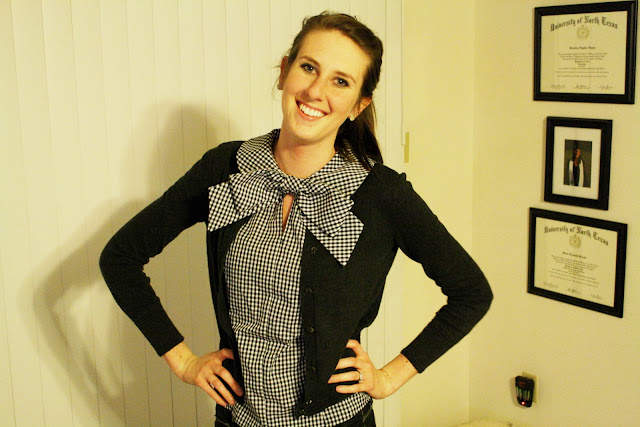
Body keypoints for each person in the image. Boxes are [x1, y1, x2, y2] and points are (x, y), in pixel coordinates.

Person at [100, 12, 492, 427]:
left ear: (359, 104)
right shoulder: (227, 168)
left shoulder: (381, 194)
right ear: (285, 71)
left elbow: (471, 292)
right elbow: (120, 257)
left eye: (341, 81)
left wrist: (390, 376)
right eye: (308, 68)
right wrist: (183, 361)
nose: (316, 91)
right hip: (236, 420)